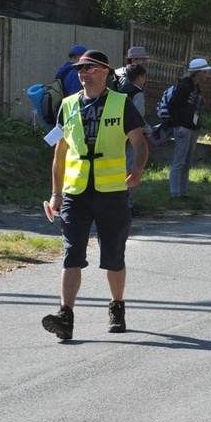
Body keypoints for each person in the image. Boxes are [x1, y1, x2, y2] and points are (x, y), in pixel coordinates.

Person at [41, 50, 148, 341]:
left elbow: (139, 144)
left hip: (112, 192)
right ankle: (65, 316)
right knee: (71, 253)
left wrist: (137, 168)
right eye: (80, 68)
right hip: (75, 194)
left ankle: (117, 306)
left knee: (113, 256)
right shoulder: (68, 105)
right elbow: (59, 154)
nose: (83, 72)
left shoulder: (122, 103)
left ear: (104, 71)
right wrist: (56, 194)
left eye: (89, 68)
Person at [167, 58, 210, 198]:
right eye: (204, 71)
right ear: (197, 72)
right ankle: (174, 193)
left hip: (193, 128)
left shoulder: (195, 86)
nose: (206, 75)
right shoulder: (185, 86)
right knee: (179, 162)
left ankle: (184, 193)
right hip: (183, 128)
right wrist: (177, 124)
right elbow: (172, 105)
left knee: (187, 163)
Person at [117, 64, 151, 213]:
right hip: (132, 137)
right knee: (131, 169)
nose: (145, 80)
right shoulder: (138, 94)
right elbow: (138, 118)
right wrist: (148, 130)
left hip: (118, 135)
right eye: (144, 77)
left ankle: (118, 201)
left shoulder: (121, 92)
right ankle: (127, 204)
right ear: (139, 77)